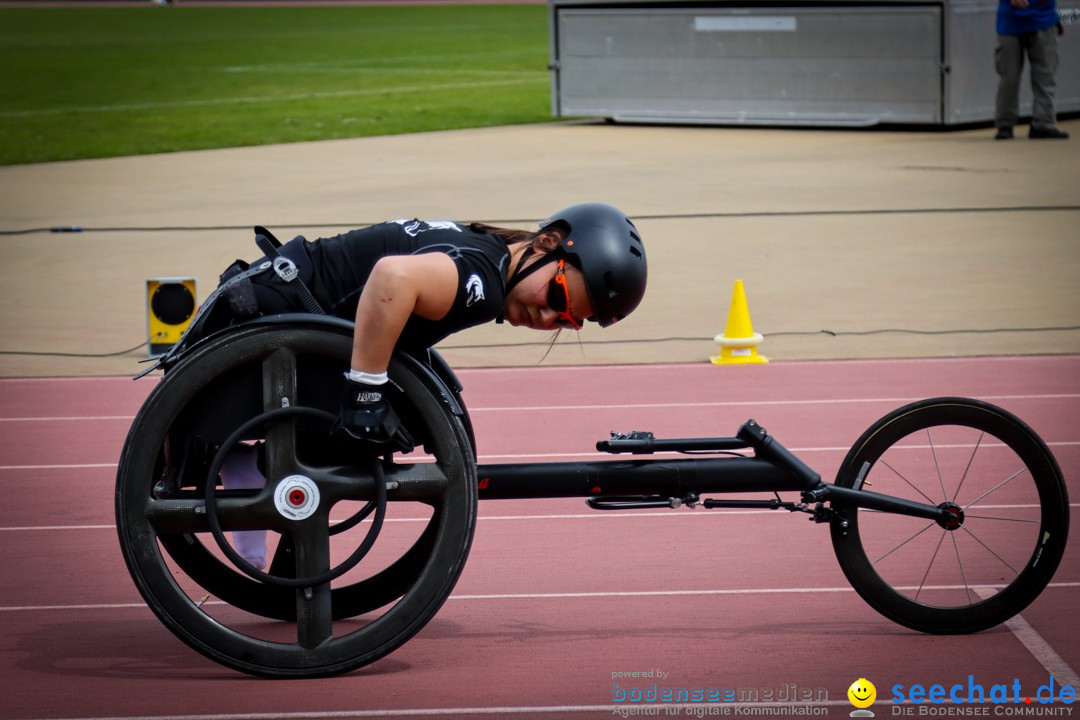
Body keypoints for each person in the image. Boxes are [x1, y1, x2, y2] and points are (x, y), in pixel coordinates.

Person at [208, 203, 647, 568]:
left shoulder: (488, 254)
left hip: (272, 313)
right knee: (381, 414)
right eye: (558, 299)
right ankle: (258, 469)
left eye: (567, 321)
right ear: (546, 243)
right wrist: (366, 392)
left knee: (400, 413)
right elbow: (393, 278)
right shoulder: (484, 281)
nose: (548, 319)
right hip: (259, 330)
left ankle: (260, 468)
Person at [994, 0, 1069, 140]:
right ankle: (1005, 124)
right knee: (1009, 76)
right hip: (1010, 21)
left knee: (1046, 76)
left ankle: (1043, 123)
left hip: (1044, 19)